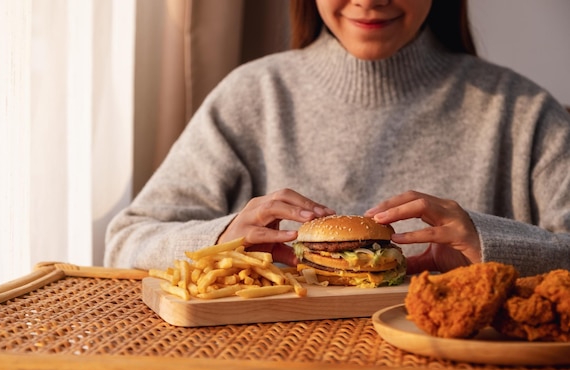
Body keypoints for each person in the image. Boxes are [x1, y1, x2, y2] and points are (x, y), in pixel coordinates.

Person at [104, 0, 570, 278]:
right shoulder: (252, 96)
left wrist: (490, 243)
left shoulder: (523, 112)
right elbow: (127, 241)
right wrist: (223, 238)